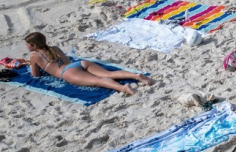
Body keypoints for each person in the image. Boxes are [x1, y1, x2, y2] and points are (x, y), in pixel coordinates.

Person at [24, 31, 152, 96]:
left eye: (27, 44)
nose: (26, 46)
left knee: (99, 80)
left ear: (33, 45)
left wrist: (30, 63)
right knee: (109, 73)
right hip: (79, 64)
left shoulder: (34, 56)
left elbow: (35, 75)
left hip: (67, 73)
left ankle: (123, 88)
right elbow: (67, 61)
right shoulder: (55, 48)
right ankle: (136, 76)